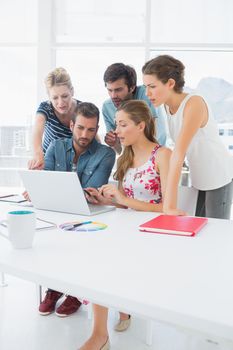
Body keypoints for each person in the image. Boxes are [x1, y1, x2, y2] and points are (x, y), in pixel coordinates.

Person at [79, 100, 171, 350]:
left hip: (153, 234)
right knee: (94, 250)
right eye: (116, 124)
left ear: (141, 125)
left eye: (122, 124)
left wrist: (123, 199)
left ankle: (102, 335)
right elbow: (123, 206)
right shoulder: (125, 157)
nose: (116, 131)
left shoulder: (163, 155)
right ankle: (100, 335)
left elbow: (169, 209)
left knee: (105, 260)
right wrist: (104, 199)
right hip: (127, 230)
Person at [34, 102, 116, 317]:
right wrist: (37, 189)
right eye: (80, 128)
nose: (84, 134)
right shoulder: (55, 147)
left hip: (88, 216)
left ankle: (76, 293)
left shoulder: (106, 154)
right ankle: (54, 287)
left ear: (97, 129)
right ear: (71, 125)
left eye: (90, 129)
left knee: (82, 243)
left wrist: (54, 189)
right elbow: (46, 184)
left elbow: (91, 193)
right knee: (50, 242)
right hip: (57, 212)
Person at [142, 54, 233, 219]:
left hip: (218, 176)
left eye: (152, 86)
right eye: (145, 86)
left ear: (170, 83)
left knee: (216, 231)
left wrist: (168, 206)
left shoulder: (194, 104)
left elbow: (179, 152)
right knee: (200, 228)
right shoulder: (166, 107)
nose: (147, 93)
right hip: (199, 177)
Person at [102, 62, 167, 153]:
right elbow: (119, 150)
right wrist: (113, 143)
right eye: (110, 90)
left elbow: (152, 132)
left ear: (132, 87)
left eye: (118, 90)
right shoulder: (107, 107)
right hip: (132, 156)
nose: (113, 96)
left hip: (155, 152)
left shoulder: (146, 93)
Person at [28, 67, 81, 170]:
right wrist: (38, 154)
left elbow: (94, 139)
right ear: (49, 97)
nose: (60, 103)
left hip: (74, 164)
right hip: (48, 163)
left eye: (65, 96)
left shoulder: (81, 109)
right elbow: (37, 133)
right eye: (55, 98)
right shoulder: (46, 108)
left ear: (72, 91)